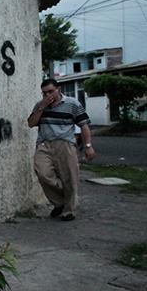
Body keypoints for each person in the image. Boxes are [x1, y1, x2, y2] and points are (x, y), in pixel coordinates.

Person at [27, 78, 96, 221]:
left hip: (65, 144)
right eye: (44, 93)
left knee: (69, 177)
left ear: (58, 89)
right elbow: (31, 123)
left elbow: (84, 125)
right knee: (43, 173)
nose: (47, 96)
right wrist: (42, 107)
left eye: (50, 92)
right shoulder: (40, 105)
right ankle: (60, 202)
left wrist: (88, 146)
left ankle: (69, 210)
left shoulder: (72, 104)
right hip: (44, 144)